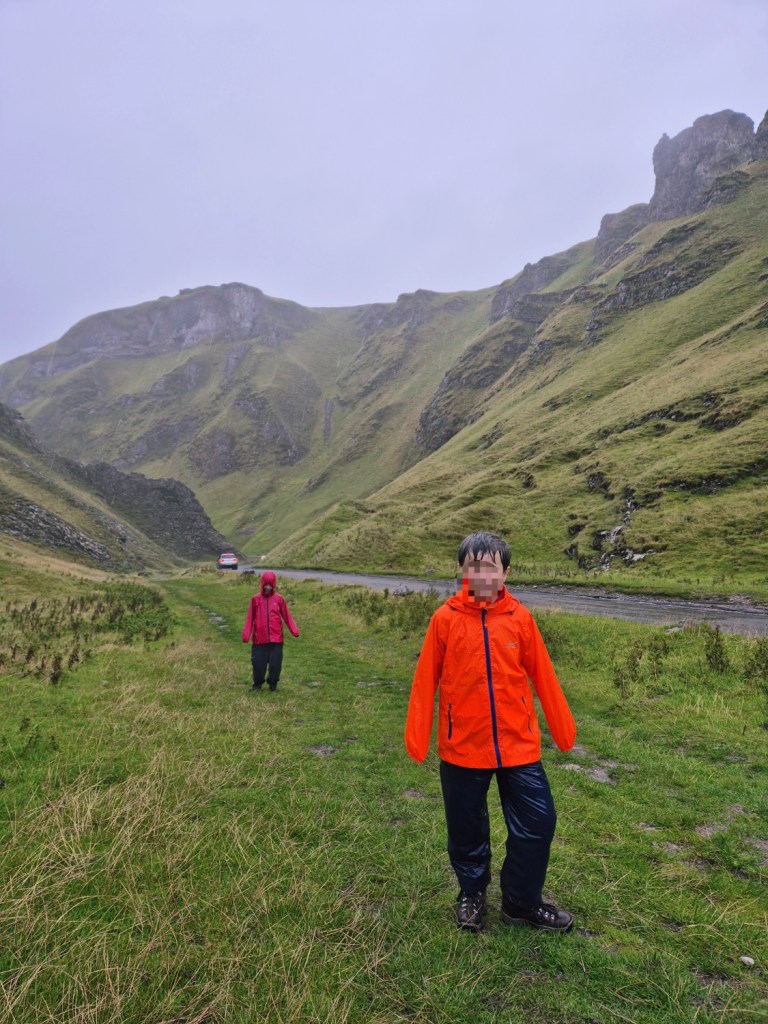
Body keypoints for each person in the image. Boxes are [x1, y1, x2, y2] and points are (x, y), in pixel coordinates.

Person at [404, 531, 577, 933]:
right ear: (462, 571)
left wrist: (563, 729)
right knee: (467, 829)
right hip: (462, 746)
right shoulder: (444, 619)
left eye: (489, 567)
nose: (481, 574)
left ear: (505, 573)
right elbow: (424, 678)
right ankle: (472, 893)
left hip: (519, 745)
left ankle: (520, 902)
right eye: (472, 567)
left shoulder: (520, 618)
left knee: (539, 822)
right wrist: (417, 736)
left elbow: (544, 676)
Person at [241, 571, 299, 691]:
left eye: (270, 585)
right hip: (259, 640)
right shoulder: (255, 599)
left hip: (276, 639)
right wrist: (246, 634)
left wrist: (294, 630)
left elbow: (287, 617)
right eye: (265, 585)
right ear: (262, 584)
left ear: (273, 585)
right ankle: (257, 684)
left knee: (275, 665)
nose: (267, 587)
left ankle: (273, 685)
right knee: (258, 664)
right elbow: (249, 618)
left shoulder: (279, 600)